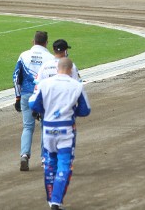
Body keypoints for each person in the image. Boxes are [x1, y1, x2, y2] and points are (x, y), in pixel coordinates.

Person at [29, 57, 91, 210]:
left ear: (57, 69)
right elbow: (85, 110)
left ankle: (51, 200)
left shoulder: (45, 84)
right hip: (66, 130)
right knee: (64, 164)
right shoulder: (76, 85)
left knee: (50, 163)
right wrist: (71, 112)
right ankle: (56, 201)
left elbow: (34, 104)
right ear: (70, 70)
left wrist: (48, 112)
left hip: (48, 129)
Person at [12, 30, 53, 171]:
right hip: (43, 96)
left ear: (33, 41)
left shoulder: (24, 55)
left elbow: (16, 77)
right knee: (45, 127)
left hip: (26, 95)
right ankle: (44, 159)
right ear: (46, 42)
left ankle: (24, 155)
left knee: (28, 127)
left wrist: (17, 97)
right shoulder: (50, 58)